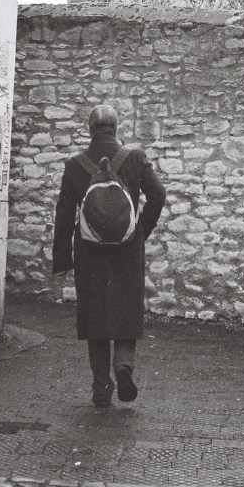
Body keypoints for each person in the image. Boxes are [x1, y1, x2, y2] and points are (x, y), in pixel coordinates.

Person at [52, 104, 166, 407]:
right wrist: (141, 231)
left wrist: (62, 258)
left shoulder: (75, 165)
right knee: (126, 311)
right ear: (116, 128)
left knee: (95, 318)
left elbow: (64, 213)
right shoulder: (135, 157)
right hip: (127, 251)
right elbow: (158, 195)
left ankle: (102, 387)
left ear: (90, 130)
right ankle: (124, 367)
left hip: (90, 253)